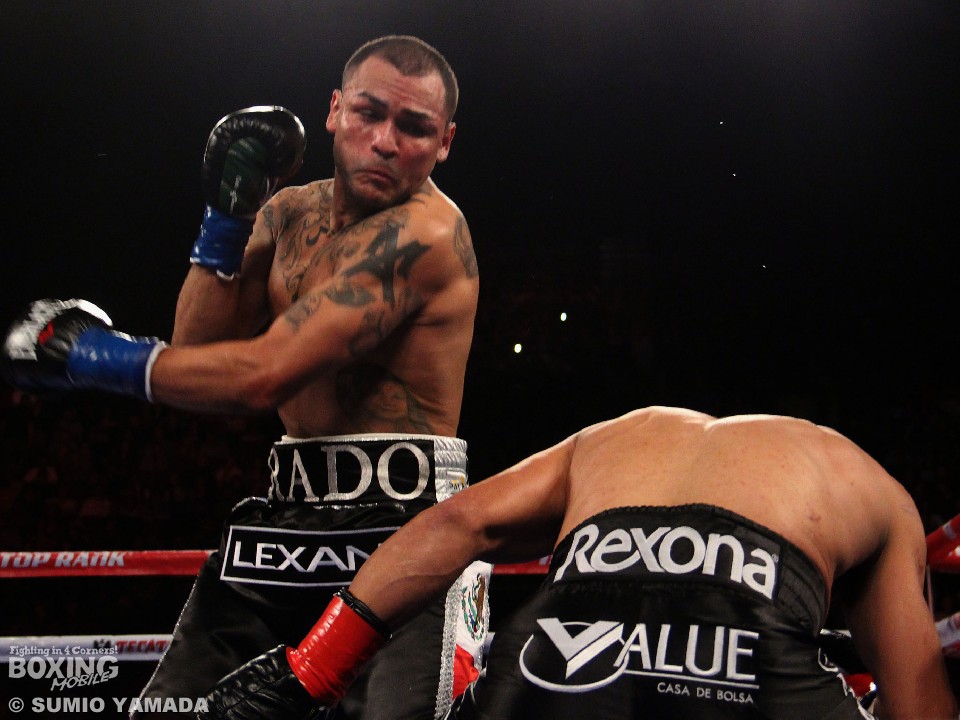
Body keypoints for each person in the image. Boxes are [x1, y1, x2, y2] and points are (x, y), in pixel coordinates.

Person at [2, 35, 487, 720]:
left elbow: (264, 375)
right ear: (334, 110)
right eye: (368, 114)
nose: (384, 142)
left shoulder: (426, 235)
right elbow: (199, 351)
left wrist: (88, 356)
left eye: (413, 128)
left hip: (405, 532)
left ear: (444, 143)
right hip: (283, 528)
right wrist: (226, 220)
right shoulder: (287, 214)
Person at [204, 406, 957, 720]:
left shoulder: (619, 435)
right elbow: (921, 709)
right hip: (749, 657)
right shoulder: (869, 483)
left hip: (559, 653)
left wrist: (308, 672)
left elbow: (456, 521)